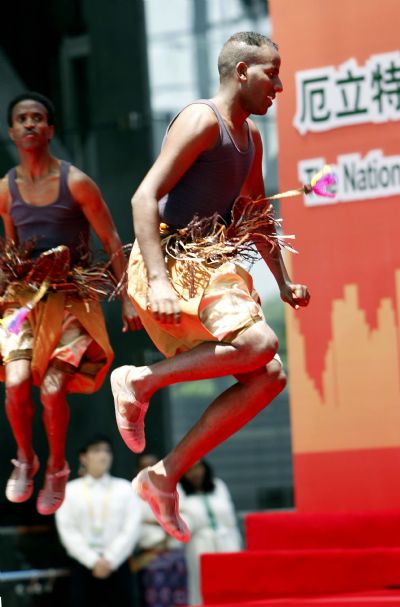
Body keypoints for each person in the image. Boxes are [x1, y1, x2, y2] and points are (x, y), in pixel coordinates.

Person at [111, 32, 310, 542]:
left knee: (268, 376)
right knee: (259, 344)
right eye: (272, 73)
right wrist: (155, 280)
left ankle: (162, 476)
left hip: (211, 262)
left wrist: (284, 281)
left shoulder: (252, 139)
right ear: (242, 71)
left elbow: (257, 215)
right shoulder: (203, 120)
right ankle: (138, 381)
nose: (280, 86)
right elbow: (142, 198)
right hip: (176, 261)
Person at [0, 91, 140, 515]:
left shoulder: (76, 182)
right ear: (11, 131)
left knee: (54, 388)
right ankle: (26, 458)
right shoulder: (6, 190)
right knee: (16, 382)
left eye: (37, 118)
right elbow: (10, 248)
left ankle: (58, 467)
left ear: (50, 130)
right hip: (25, 301)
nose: (29, 124)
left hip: (74, 300)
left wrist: (129, 298)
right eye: (21, 118)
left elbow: (112, 239)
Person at [55, 435, 142, 607]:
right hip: (83, 566)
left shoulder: (124, 488)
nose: (103, 456)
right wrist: (92, 560)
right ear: (83, 457)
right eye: (96, 451)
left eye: (107, 451)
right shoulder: (70, 490)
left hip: (118, 564)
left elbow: (132, 527)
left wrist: (110, 558)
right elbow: (67, 530)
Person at [179, 460, 241, 605]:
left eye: (198, 468)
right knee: (201, 584)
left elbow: (229, 518)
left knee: (232, 582)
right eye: (190, 470)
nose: (195, 473)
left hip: (227, 541)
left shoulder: (218, 485)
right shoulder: (178, 491)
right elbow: (185, 524)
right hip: (199, 544)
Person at [131, 453, 187, 607]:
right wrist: (168, 521)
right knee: (155, 601)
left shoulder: (174, 485)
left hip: (175, 554)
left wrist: (155, 522)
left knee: (180, 600)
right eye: (144, 466)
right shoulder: (132, 492)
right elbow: (135, 522)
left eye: (152, 466)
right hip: (151, 556)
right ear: (137, 470)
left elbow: (185, 514)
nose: (148, 470)